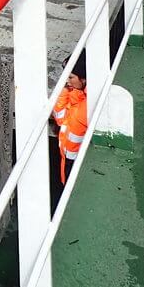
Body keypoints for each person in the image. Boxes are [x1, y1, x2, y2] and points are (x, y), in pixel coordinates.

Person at [51, 54, 88, 197]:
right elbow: (61, 119)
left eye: (71, 77)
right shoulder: (77, 94)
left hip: (76, 161)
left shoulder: (86, 107)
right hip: (67, 157)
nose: (67, 80)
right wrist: (65, 90)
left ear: (83, 79)